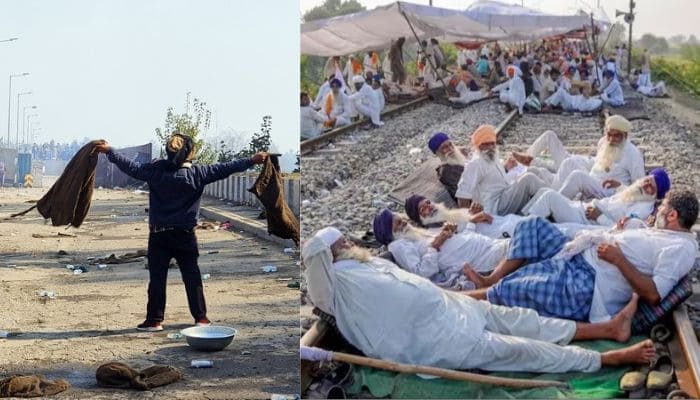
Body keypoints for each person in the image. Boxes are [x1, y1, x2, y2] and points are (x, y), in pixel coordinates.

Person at [304, 227, 656, 374]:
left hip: (452, 308)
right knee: (520, 349)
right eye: (338, 246)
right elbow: (316, 270)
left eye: (344, 241)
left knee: (523, 320)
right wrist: (321, 251)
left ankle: (604, 328)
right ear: (327, 258)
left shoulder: (366, 262)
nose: (347, 244)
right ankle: (604, 359)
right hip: (434, 340)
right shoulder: (335, 288)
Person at [95, 135, 267, 331]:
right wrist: (252, 160)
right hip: (185, 234)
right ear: (190, 153)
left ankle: (154, 320)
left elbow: (131, 167)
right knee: (192, 276)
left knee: (157, 278)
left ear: (168, 152)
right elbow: (226, 168)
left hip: (159, 234)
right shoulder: (198, 173)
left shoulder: (155, 172)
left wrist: (110, 151)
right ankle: (201, 318)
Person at [465, 190, 699, 324]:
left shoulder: (681, 249)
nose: (657, 212)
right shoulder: (665, 233)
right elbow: (642, 250)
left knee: (512, 289)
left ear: (672, 215)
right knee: (532, 226)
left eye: (662, 209)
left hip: (587, 283)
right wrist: (623, 230)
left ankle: (457, 299)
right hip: (579, 256)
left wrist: (619, 259)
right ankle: (491, 279)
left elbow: (653, 294)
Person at [372, 209, 504, 290]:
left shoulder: (413, 235)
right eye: (399, 224)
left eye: (402, 220)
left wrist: (448, 233)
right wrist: (435, 245)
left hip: (484, 245)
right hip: (480, 258)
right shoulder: (398, 245)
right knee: (519, 241)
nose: (405, 223)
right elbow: (421, 272)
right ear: (391, 233)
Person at [525, 169, 670, 226]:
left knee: (549, 196)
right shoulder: (639, 194)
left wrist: (599, 216)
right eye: (647, 180)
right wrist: (619, 185)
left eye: (651, 187)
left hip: (587, 221)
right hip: (582, 209)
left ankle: (521, 228)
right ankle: (521, 218)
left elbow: (622, 230)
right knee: (544, 190)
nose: (646, 185)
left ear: (655, 196)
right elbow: (629, 196)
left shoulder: (643, 209)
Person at [456, 125, 548, 215]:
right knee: (528, 178)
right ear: (478, 146)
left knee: (532, 170)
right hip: (496, 207)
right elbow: (462, 194)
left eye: (493, 143)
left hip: (505, 196)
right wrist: (467, 222)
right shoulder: (475, 164)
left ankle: (548, 199)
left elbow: (492, 178)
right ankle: (553, 196)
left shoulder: (491, 158)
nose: (491, 147)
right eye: (486, 144)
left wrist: (506, 167)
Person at [558, 115, 645, 200]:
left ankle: (555, 205)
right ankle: (554, 195)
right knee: (568, 163)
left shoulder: (633, 154)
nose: (611, 139)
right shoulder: (603, 142)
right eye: (609, 135)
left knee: (578, 176)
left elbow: (639, 184)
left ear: (625, 135)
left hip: (610, 192)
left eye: (616, 136)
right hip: (594, 181)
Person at [428, 132, 469, 201]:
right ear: (438, 153)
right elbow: (463, 193)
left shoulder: (459, 157)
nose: (450, 149)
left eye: (450, 144)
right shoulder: (446, 172)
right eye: (444, 147)